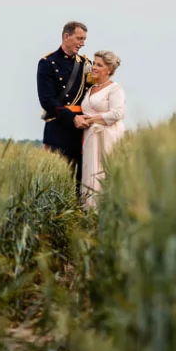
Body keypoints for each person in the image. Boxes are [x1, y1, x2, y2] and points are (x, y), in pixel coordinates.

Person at [37, 21, 93, 202]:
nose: (82, 43)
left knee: (80, 180)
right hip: (59, 128)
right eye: (79, 38)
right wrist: (72, 118)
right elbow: (47, 100)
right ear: (66, 36)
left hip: (82, 131)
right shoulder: (48, 63)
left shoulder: (85, 64)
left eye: (84, 39)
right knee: (57, 179)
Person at [74, 50, 125, 210]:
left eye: (99, 65)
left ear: (109, 70)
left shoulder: (114, 89)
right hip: (90, 137)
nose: (94, 67)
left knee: (103, 172)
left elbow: (118, 113)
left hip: (107, 137)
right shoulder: (90, 89)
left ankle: (106, 212)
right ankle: (89, 213)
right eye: (94, 63)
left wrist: (91, 119)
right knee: (90, 173)